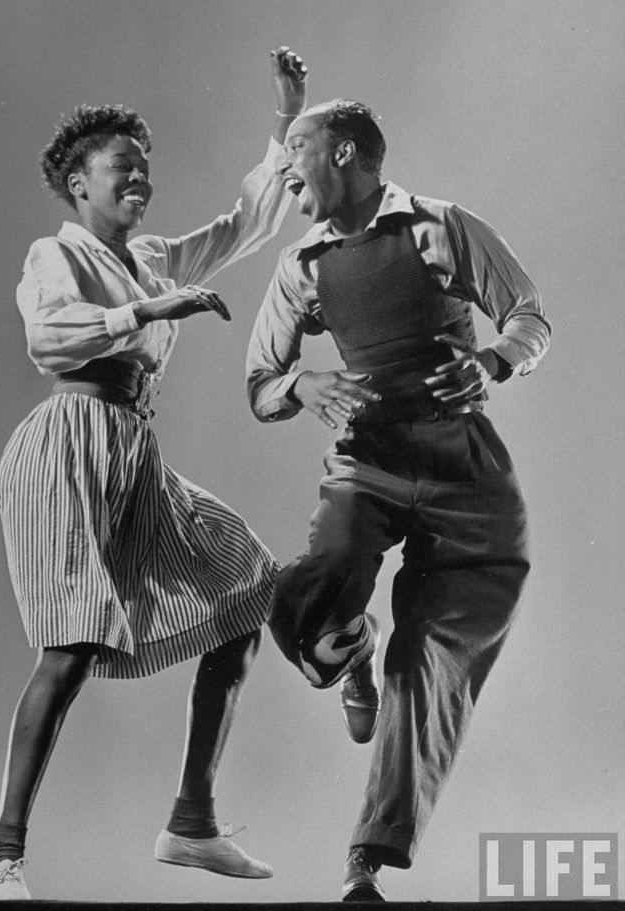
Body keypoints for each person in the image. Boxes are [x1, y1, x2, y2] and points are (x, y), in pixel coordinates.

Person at [0, 47, 307, 901]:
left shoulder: (153, 255)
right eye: (124, 167)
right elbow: (49, 337)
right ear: (79, 184)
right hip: (67, 445)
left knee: (247, 591)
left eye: (146, 170)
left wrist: (284, 122)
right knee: (73, 645)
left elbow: (242, 226)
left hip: (132, 451)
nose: (140, 180)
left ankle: (191, 820)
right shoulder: (57, 254)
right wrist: (147, 310)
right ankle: (1, 855)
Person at [246, 99, 551, 902]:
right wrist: (300, 381)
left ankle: (365, 860)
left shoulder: (441, 227)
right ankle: (349, 641)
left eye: (297, 149)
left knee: (427, 669)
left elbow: (529, 316)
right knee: (320, 575)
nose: (285, 169)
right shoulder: (302, 263)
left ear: (344, 154)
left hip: (463, 477)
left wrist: (490, 363)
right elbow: (260, 383)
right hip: (368, 463)